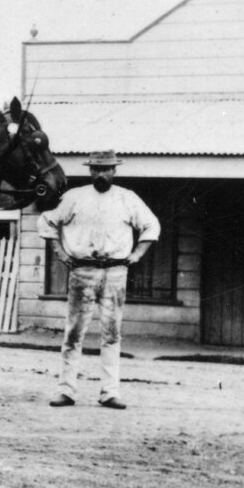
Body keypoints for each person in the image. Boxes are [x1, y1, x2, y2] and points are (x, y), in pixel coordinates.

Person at [37, 150, 161, 409]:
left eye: (106, 169)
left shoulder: (128, 198)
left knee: (112, 333)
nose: (101, 174)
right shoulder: (74, 197)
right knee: (73, 333)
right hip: (82, 271)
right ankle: (66, 391)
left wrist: (138, 253)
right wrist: (60, 252)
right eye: (96, 169)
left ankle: (110, 392)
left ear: (114, 171)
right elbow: (47, 221)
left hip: (116, 272)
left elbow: (152, 226)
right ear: (90, 170)